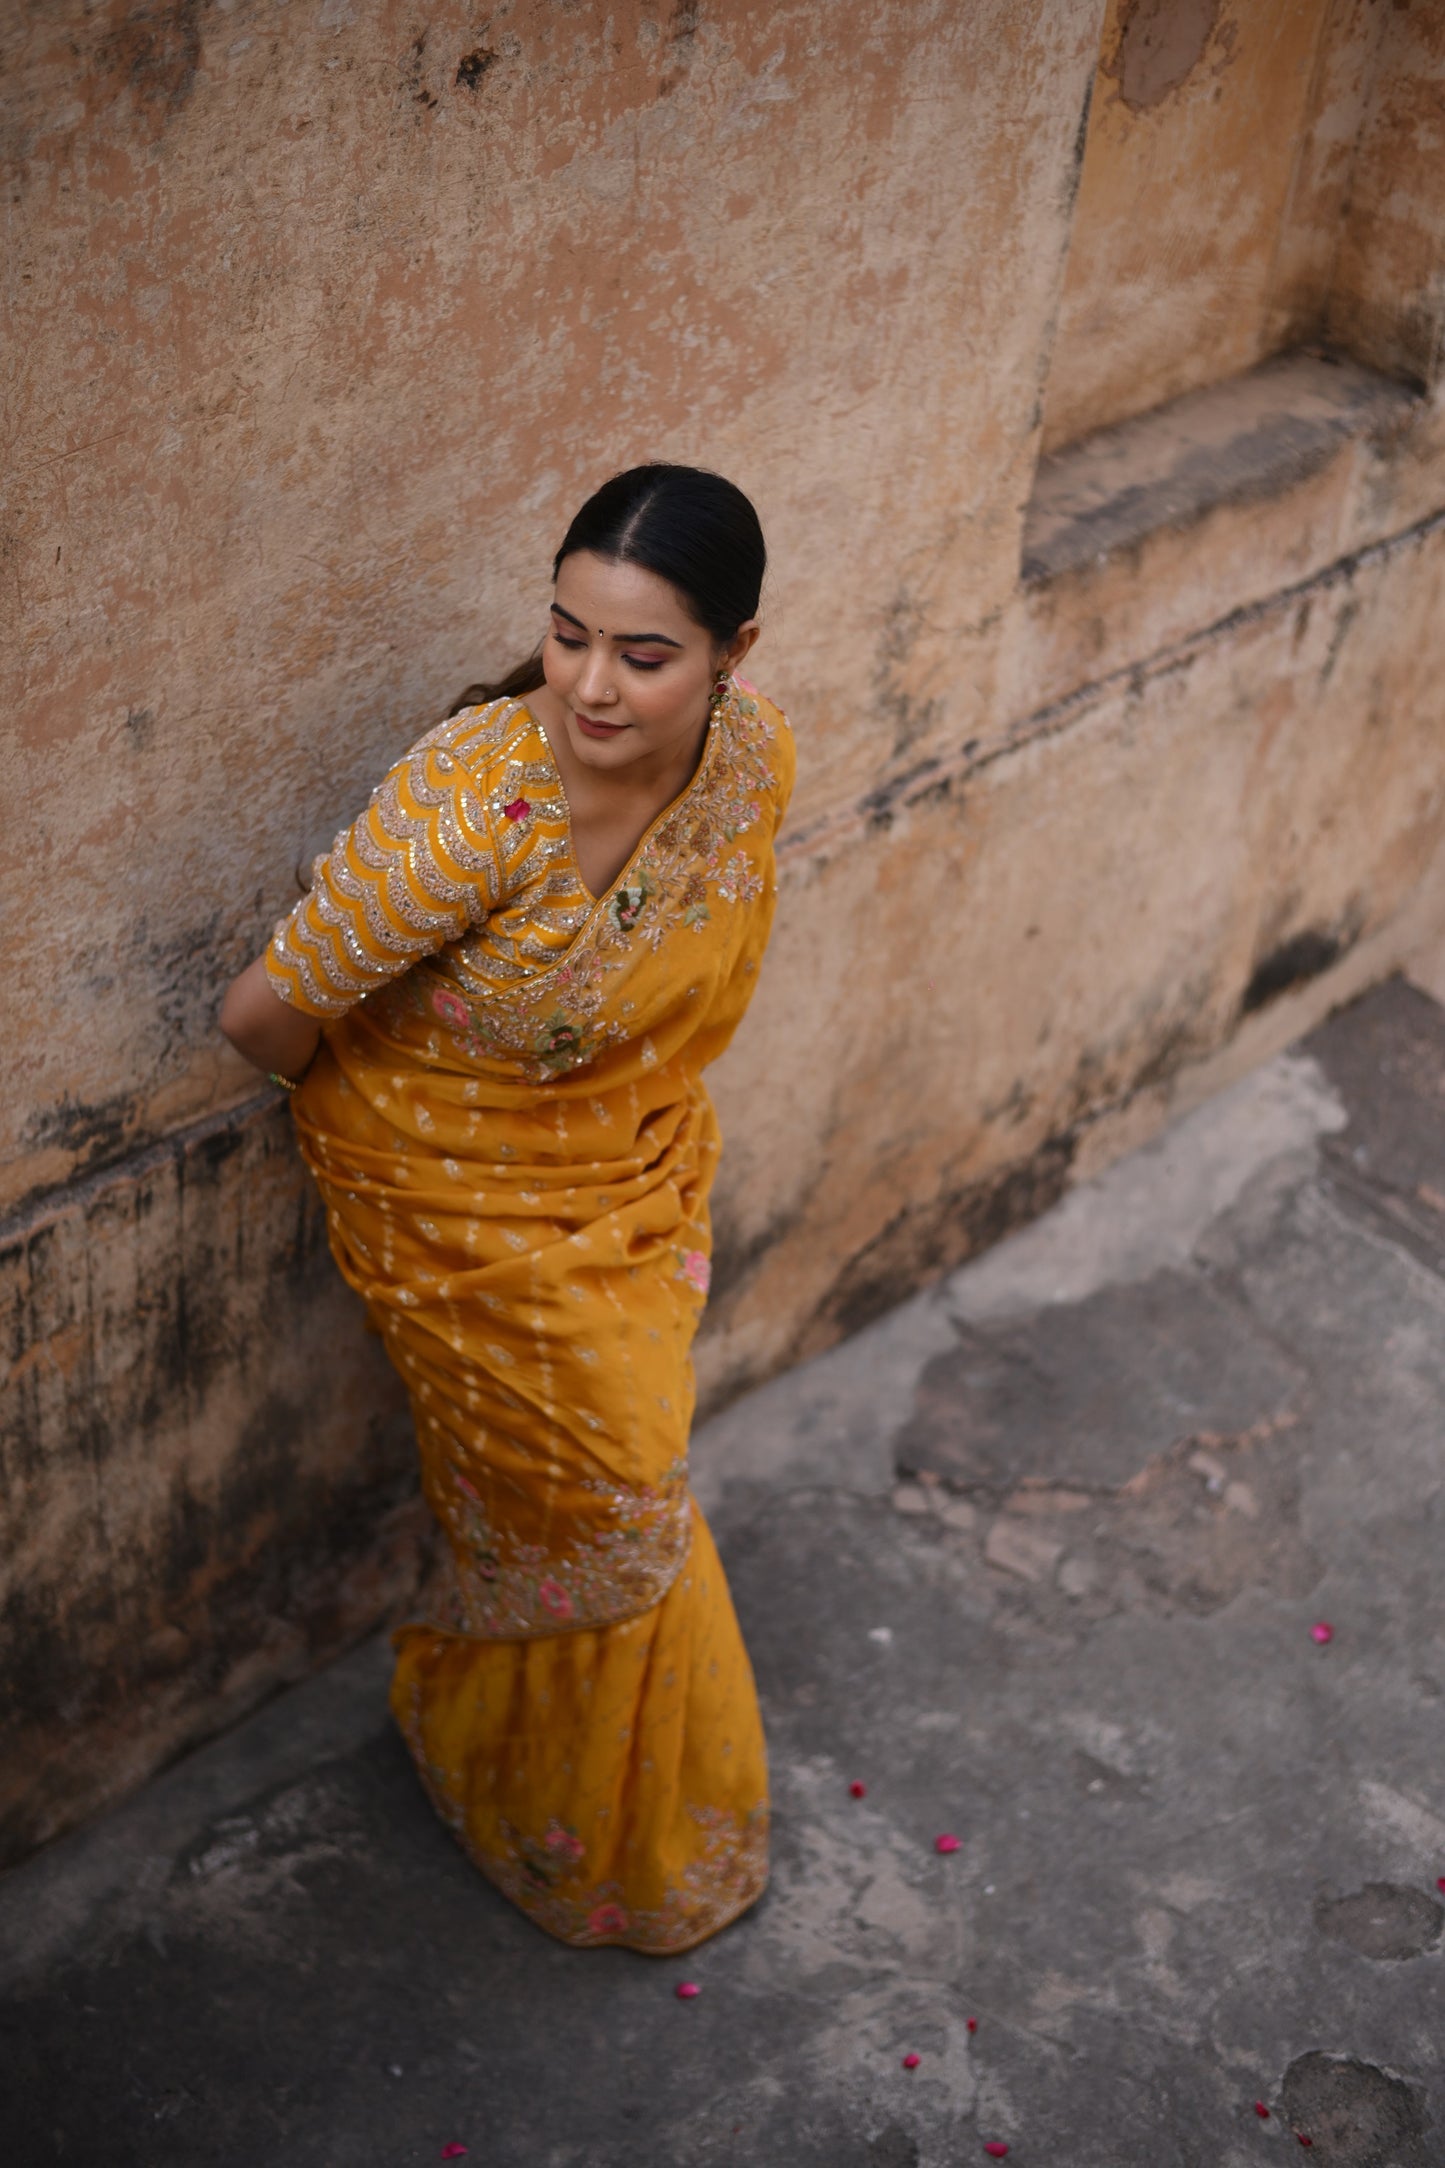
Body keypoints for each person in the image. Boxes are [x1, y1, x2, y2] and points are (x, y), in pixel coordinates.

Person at [220, 464, 793, 1953]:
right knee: (616, 1485)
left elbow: (699, 960)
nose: (592, 687)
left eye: (644, 654)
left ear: (734, 654)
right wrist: (395, 1143)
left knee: (591, 1498)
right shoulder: (471, 816)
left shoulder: (745, 761)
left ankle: (510, 1750)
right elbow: (263, 1017)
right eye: (566, 636)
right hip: (446, 1210)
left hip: (627, 1175)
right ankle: (574, 1806)